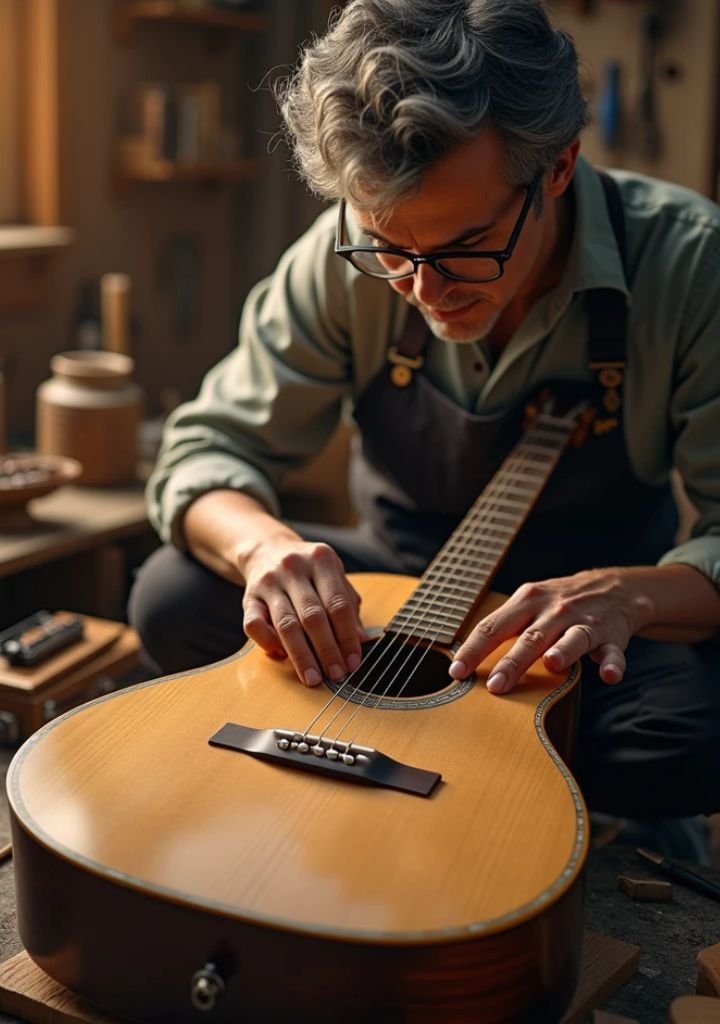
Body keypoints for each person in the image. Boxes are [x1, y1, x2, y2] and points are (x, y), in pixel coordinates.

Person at [129, 0, 720, 836]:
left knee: (694, 733)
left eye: (465, 249)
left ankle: (493, 775)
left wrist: (626, 595)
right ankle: (474, 765)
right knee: (170, 593)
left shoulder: (690, 265)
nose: (425, 290)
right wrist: (266, 551)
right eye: (388, 246)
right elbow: (206, 447)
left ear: (558, 166)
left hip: (585, 626)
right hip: (394, 587)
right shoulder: (342, 257)